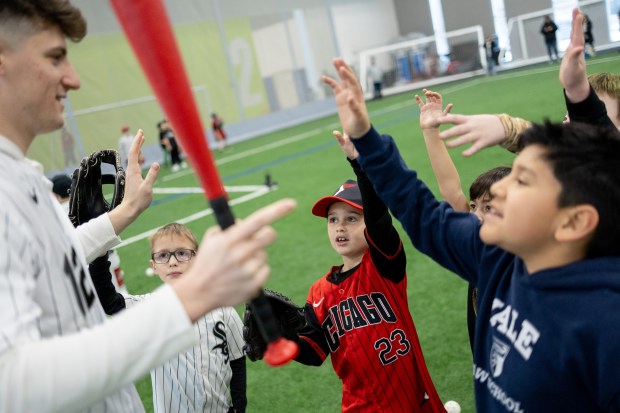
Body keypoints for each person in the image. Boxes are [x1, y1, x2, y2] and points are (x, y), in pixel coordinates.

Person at [0, 1, 295, 411]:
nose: (73, 78)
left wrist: (124, 213)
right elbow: (13, 383)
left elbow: (54, 256)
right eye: (55, 57)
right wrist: (191, 295)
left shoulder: (23, 176)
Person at [323, 56, 620, 412]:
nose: (499, 190)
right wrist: (365, 139)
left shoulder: (606, 327)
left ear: (573, 222)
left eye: (522, 180)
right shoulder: (496, 258)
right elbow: (422, 211)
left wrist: (578, 99)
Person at [292, 130, 445, 412]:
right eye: (333, 220)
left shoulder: (384, 265)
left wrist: (359, 164)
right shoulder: (319, 293)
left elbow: (378, 219)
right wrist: (277, 337)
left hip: (409, 402)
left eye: (352, 218)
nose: (340, 226)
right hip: (357, 406)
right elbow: (312, 352)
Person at [89, 223, 247, 413]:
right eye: (163, 255)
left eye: (182, 253)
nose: (173, 262)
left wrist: (239, 406)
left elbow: (237, 359)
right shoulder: (151, 307)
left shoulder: (223, 308)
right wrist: (99, 254)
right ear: (154, 266)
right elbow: (110, 301)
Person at [416, 88, 511, 352]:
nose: (476, 215)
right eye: (473, 206)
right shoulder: (476, 246)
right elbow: (451, 190)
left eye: (488, 207)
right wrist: (430, 132)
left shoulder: (523, 256)